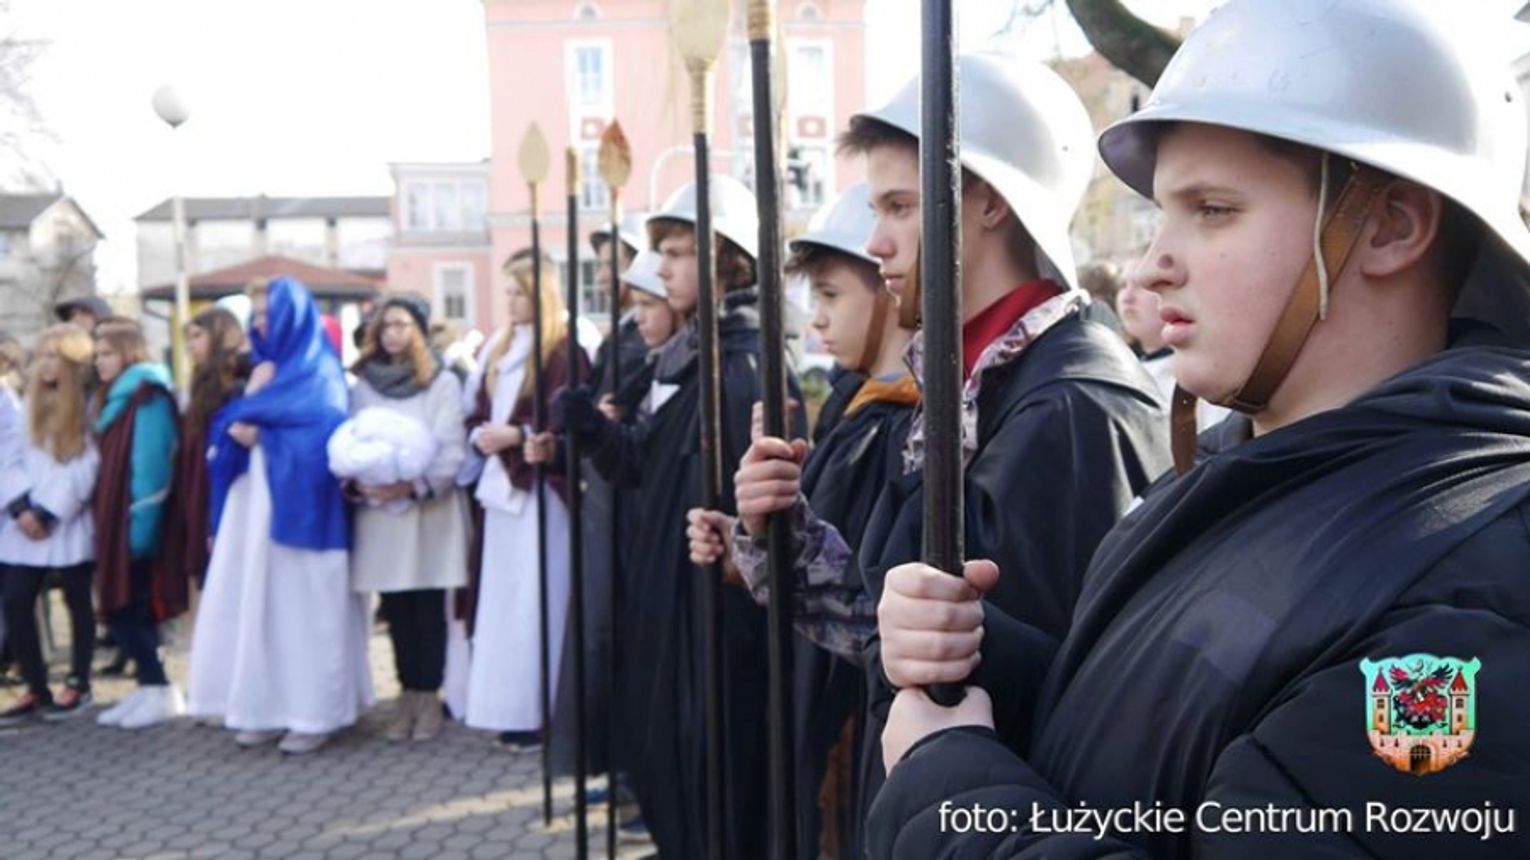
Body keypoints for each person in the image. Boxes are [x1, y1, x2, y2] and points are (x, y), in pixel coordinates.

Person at [868, 2, 1530, 857]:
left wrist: (945, 793)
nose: (1151, 265)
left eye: (1213, 209)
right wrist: (993, 663)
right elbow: (1167, 753)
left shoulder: (1470, 594)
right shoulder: (1255, 470)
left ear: (1391, 225)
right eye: (1161, 216)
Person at [728, 52, 1172, 825]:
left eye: (900, 207)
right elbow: (896, 630)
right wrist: (785, 534)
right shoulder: (978, 383)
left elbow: (1059, 702)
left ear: (991, 202)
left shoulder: (1068, 407)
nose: (876, 242)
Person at [554, 175, 805, 859]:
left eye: (676, 252)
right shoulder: (691, 352)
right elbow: (653, 473)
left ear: (725, 258)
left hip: (712, 611)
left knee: (710, 765)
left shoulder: (743, 359)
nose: (659, 268)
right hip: (665, 589)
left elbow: (744, 507)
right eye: (659, 252)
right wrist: (599, 437)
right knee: (666, 753)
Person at [688, 182, 917, 858]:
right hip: (812, 704)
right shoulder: (853, 405)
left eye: (830, 295)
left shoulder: (910, 420)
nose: (814, 319)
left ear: (888, 289)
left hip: (855, 719)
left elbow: (860, 591)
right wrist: (743, 542)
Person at [187, 277, 373, 755]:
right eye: (257, 314)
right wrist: (250, 400)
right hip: (253, 508)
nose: (261, 322)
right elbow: (226, 428)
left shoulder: (320, 371)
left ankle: (315, 712)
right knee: (258, 609)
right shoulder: (265, 371)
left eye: (269, 313)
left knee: (303, 611)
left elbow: (323, 438)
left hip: (301, 511)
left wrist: (263, 436)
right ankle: (263, 708)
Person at [450, 250, 588, 748]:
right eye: (506, 292)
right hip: (501, 493)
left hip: (539, 496)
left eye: (519, 292)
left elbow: (571, 417)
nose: (510, 301)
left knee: (538, 598)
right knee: (504, 601)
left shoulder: (563, 349)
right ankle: (508, 704)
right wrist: (485, 434)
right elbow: (475, 410)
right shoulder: (498, 348)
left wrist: (520, 434)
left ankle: (544, 711)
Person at [345, 294, 468, 743]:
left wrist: (412, 485)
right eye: (385, 326)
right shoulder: (363, 385)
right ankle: (405, 695)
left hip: (427, 511)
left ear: (418, 329)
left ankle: (429, 695)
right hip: (381, 515)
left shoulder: (440, 382)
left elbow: (450, 445)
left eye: (401, 324)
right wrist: (362, 480)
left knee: (427, 607)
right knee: (396, 608)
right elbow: (353, 437)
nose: (393, 333)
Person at [0, 325, 99, 724]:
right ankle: (35, 688)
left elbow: (85, 465)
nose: (46, 364)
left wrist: (49, 511)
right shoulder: (26, 408)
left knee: (78, 603)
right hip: (24, 527)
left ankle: (79, 681)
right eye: (42, 355)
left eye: (55, 356)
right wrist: (21, 507)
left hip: (66, 523)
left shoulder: (88, 410)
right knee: (17, 602)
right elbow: (9, 459)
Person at [89, 319, 183, 730]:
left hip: (134, 519)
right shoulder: (117, 398)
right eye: (96, 355)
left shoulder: (146, 396)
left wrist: (141, 524)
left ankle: (159, 688)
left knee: (132, 604)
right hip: (114, 519)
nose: (99, 363)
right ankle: (148, 686)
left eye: (107, 354)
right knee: (121, 606)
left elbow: (151, 465)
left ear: (128, 352)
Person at [159, 307, 250, 595]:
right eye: (189, 338)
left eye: (198, 335)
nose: (191, 345)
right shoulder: (202, 383)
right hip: (200, 488)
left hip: (227, 490)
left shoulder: (239, 382)